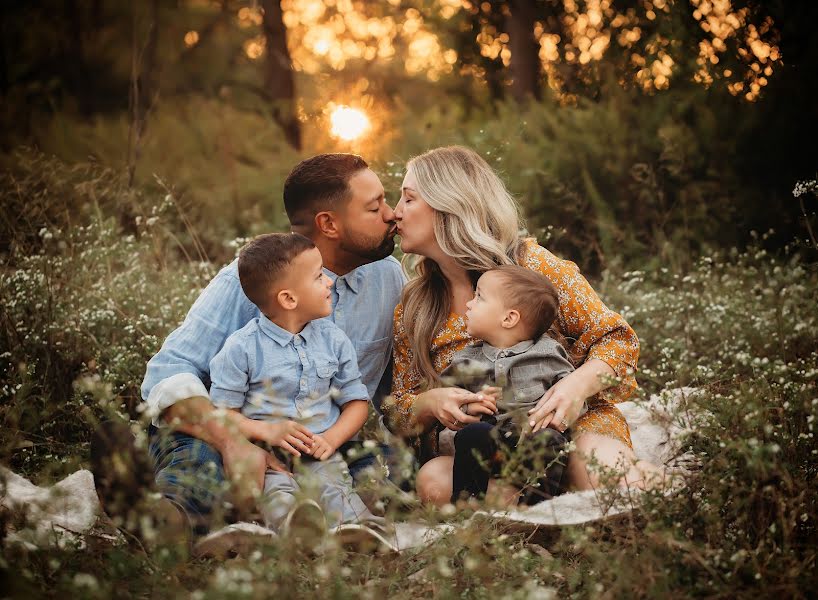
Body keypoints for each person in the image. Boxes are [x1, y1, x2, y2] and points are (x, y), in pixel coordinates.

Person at [91, 154, 406, 549]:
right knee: (201, 466)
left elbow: (387, 394)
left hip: (322, 441)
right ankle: (158, 519)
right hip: (230, 428)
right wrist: (233, 441)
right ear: (329, 223)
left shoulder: (388, 277)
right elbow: (167, 373)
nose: (392, 215)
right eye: (375, 207)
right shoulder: (249, 281)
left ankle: (335, 528)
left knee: (382, 471)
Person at [381, 145, 659, 506]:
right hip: (481, 448)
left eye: (408, 199)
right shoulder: (415, 307)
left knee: (601, 472)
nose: (394, 213)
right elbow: (397, 412)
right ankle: (532, 507)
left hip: (563, 430)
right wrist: (431, 403)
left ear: (448, 206)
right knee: (433, 482)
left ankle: (579, 488)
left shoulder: (531, 266)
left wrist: (574, 387)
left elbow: (618, 341)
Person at [208, 232, 387, 545]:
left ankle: (362, 535)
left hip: (322, 455)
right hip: (270, 459)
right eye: (319, 277)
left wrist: (331, 439)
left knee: (337, 493)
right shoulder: (241, 349)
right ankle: (295, 534)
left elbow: (356, 401)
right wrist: (265, 431)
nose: (329, 282)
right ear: (289, 299)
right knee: (279, 497)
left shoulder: (333, 341)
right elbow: (223, 414)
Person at [441, 265, 578, 506]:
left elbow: (571, 397)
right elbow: (449, 400)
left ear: (509, 318)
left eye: (479, 297)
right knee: (472, 434)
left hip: (531, 443)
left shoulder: (547, 353)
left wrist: (558, 415)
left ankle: (539, 511)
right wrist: (469, 410)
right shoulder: (466, 360)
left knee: (550, 441)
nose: (469, 304)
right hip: (491, 448)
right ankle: (466, 504)